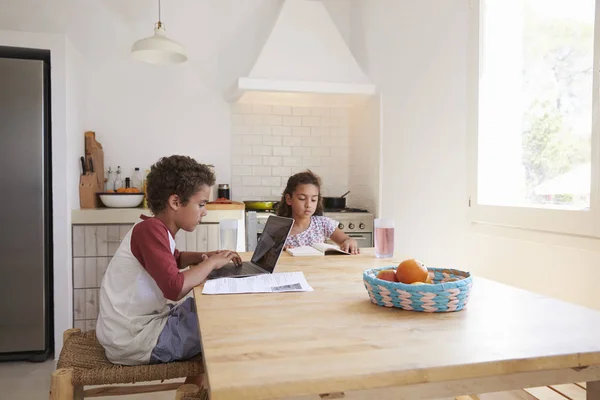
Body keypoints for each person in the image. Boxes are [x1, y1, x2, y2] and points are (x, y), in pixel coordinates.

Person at [96, 155, 241, 385]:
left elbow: (176, 258)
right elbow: (174, 287)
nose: (205, 211)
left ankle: (196, 390)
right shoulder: (150, 230)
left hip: (136, 331)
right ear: (175, 202)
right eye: (201, 204)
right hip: (135, 341)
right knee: (223, 319)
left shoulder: (154, 228)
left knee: (213, 307)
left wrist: (211, 255)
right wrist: (210, 264)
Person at [276, 170, 359, 254]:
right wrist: (280, 253)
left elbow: (346, 239)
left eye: (313, 200)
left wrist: (350, 242)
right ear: (289, 199)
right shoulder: (278, 229)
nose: (308, 205)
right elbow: (266, 256)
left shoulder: (322, 224)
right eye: (302, 198)